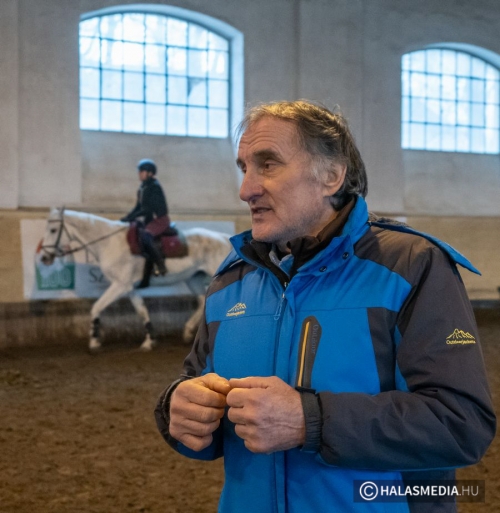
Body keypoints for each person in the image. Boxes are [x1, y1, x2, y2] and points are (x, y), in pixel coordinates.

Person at [154, 100, 496, 512]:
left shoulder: (411, 267)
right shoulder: (231, 281)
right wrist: (177, 408)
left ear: (331, 176)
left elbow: (461, 424)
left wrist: (309, 420)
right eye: (244, 168)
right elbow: (196, 388)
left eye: (268, 165)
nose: (246, 190)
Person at [121, 159, 169, 287]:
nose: (139, 174)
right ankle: (145, 279)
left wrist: (132, 217)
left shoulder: (154, 187)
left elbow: (148, 209)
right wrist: (126, 218)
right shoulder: (142, 187)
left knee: (146, 236)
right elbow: (138, 207)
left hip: (159, 220)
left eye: (142, 171)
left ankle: (160, 265)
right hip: (149, 220)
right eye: (140, 171)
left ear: (150, 173)